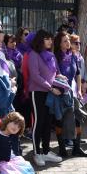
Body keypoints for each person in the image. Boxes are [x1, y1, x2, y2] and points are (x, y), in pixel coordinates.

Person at [27, 30, 63, 166]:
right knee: (39, 122)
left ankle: (46, 151)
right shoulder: (33, 55)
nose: (50, 41)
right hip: (38, 92)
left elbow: (56, 72)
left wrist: (61, 78)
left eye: (50, 39)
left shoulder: (52, 55)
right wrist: (51, 88)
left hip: (50, 93)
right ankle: (37, 153)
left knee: (48, 123)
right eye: (46, 39)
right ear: (39, 40)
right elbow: (35, 76)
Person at [54, 31, 87, 158]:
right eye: (65, 41)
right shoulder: (55, 56)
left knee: (78, 118)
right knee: (60, 120)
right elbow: (54, 75)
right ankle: (62, 148)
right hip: (61, 92)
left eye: (68, 40)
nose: (68, 43)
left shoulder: (73, 55)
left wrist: (79, 89)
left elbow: (78, 74)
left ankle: (77, 147)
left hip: (74, 91)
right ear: (59, 43)